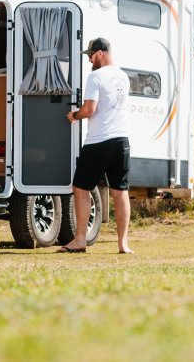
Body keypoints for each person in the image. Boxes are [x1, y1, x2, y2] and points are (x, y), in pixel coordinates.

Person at [61, 37, 132, 254]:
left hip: (99, 141)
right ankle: (123, 244)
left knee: (81, 188)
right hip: (122, 141)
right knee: (120, 191)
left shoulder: (96, 76)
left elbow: (89, 109)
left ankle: (80, 239)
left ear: (100, 53)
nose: (89, 59)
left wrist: (74, 115)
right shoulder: (123, 76)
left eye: (91, 55)